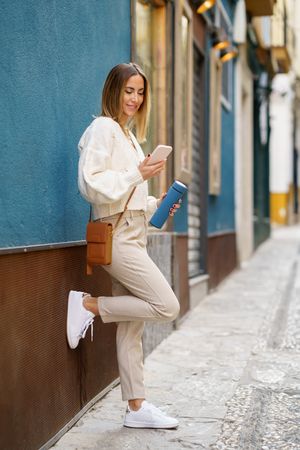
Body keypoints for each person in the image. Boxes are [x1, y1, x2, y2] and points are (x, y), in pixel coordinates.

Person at [67, 62, 181, 429]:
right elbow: (90, 184)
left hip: (133, 229)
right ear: (113, 90)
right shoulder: (102, 128)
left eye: (140, 92)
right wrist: (138, 173)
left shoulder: (129, 137)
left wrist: (157, 202)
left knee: (132, 325)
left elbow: (127, 197)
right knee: (166, 305)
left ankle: (136, 407)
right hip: (116, 235)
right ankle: (87, 304)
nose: (134, 98)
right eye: (128, 91)